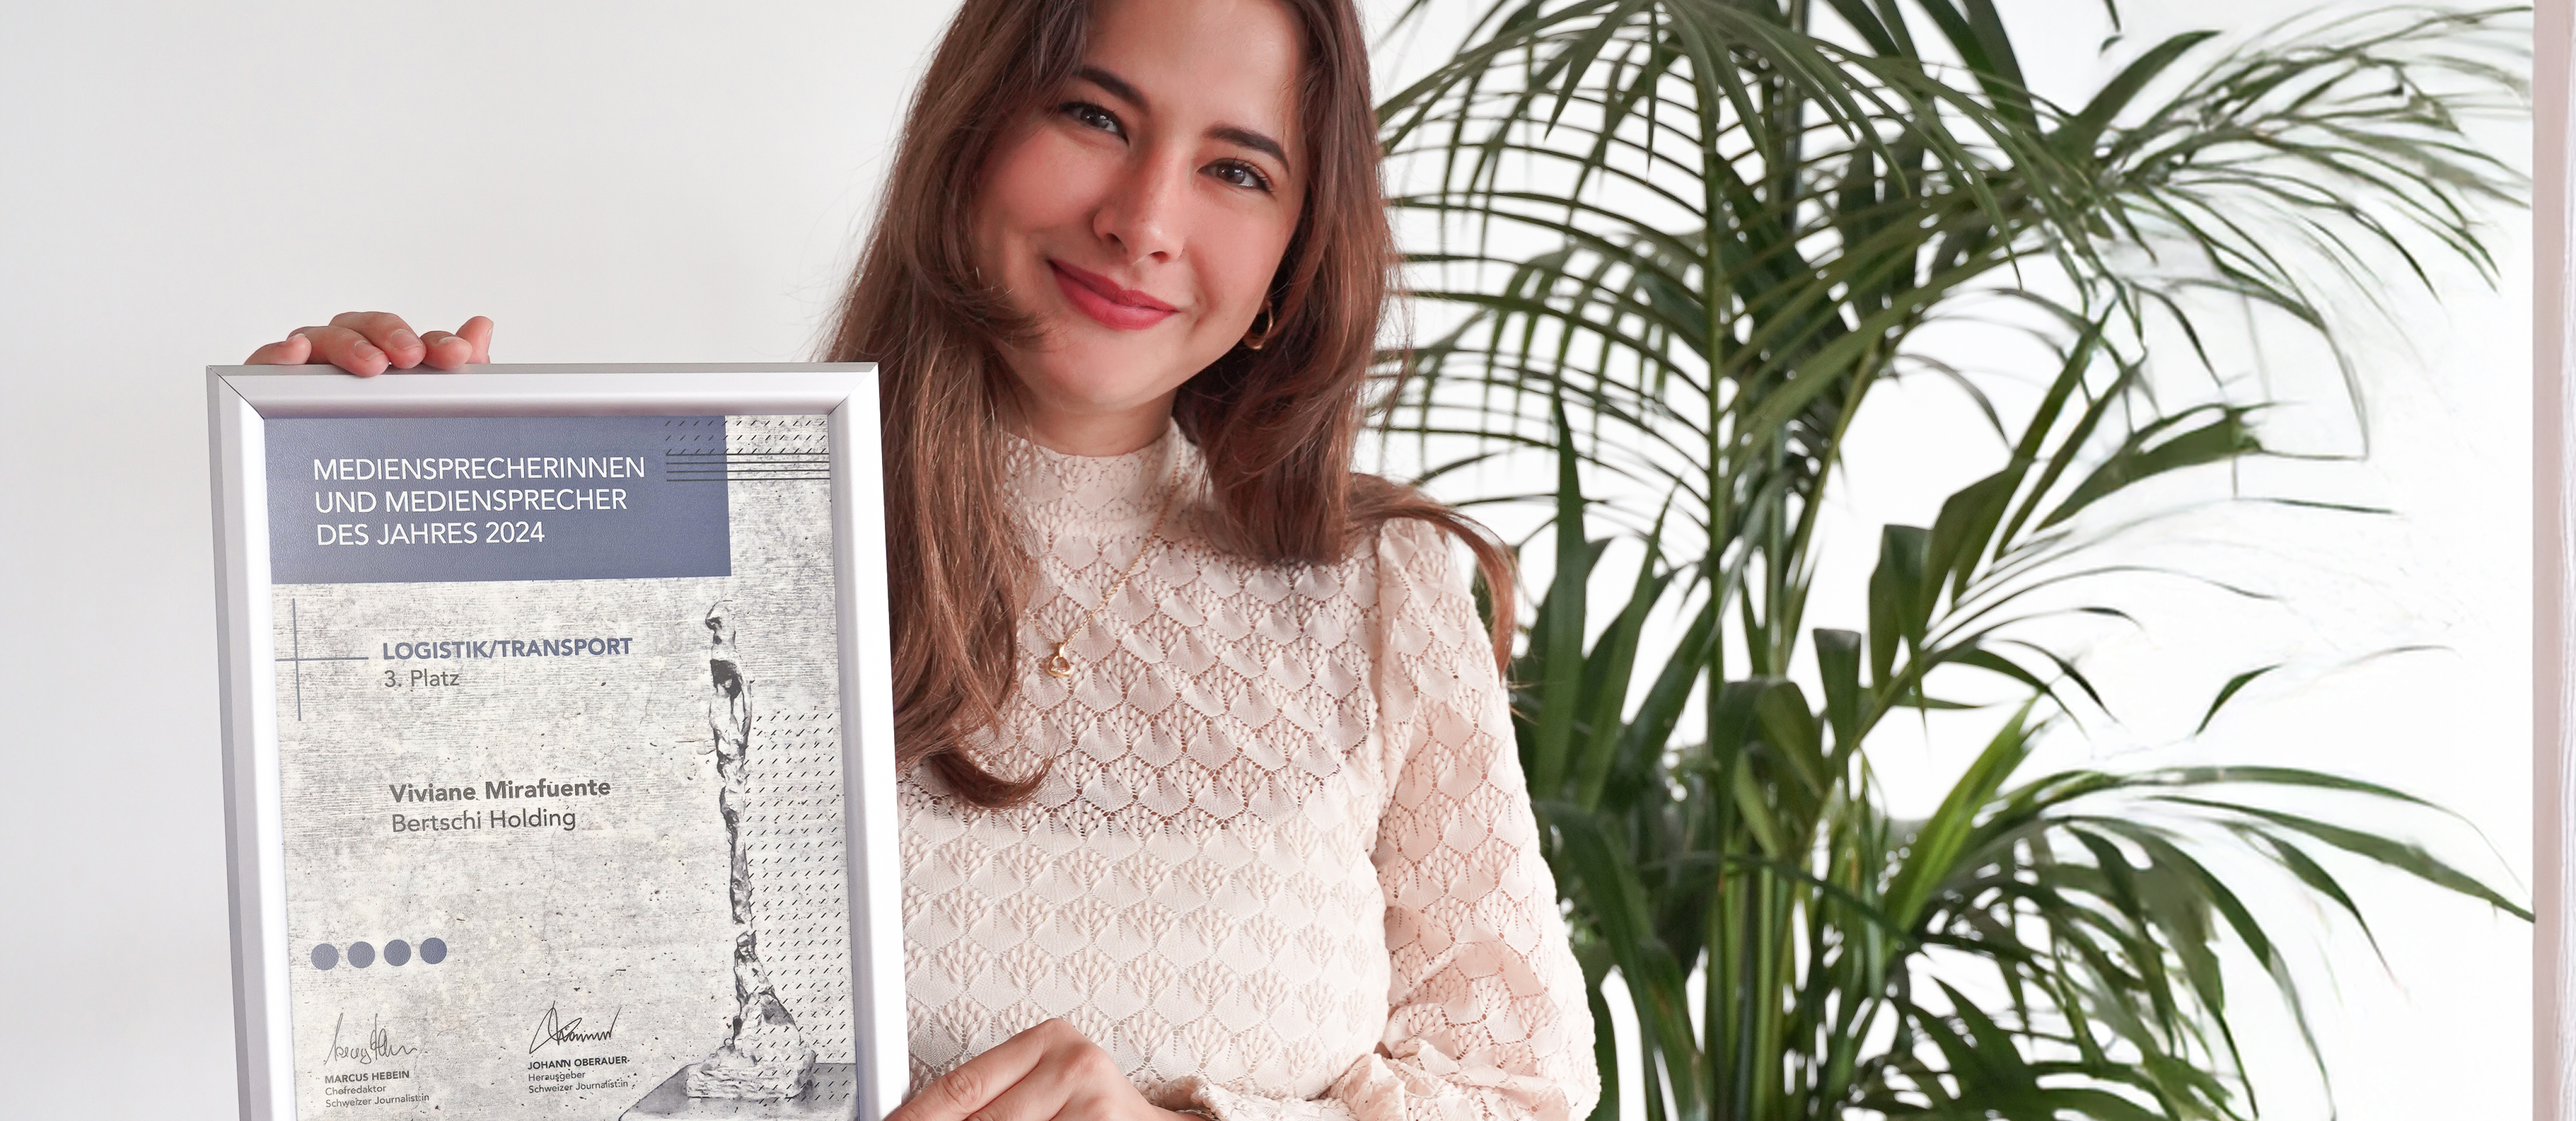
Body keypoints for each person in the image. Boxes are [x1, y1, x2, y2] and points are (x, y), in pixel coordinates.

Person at [242, 0, 1602, 1120]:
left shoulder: (1383, 598)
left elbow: (1517, 1094)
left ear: (1292, 262)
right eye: (1095, 116)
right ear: (971, 134)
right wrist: (361, 526)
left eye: (1236, 169)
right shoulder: (678, 551)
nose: (1143, 218)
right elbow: (462, 1015)